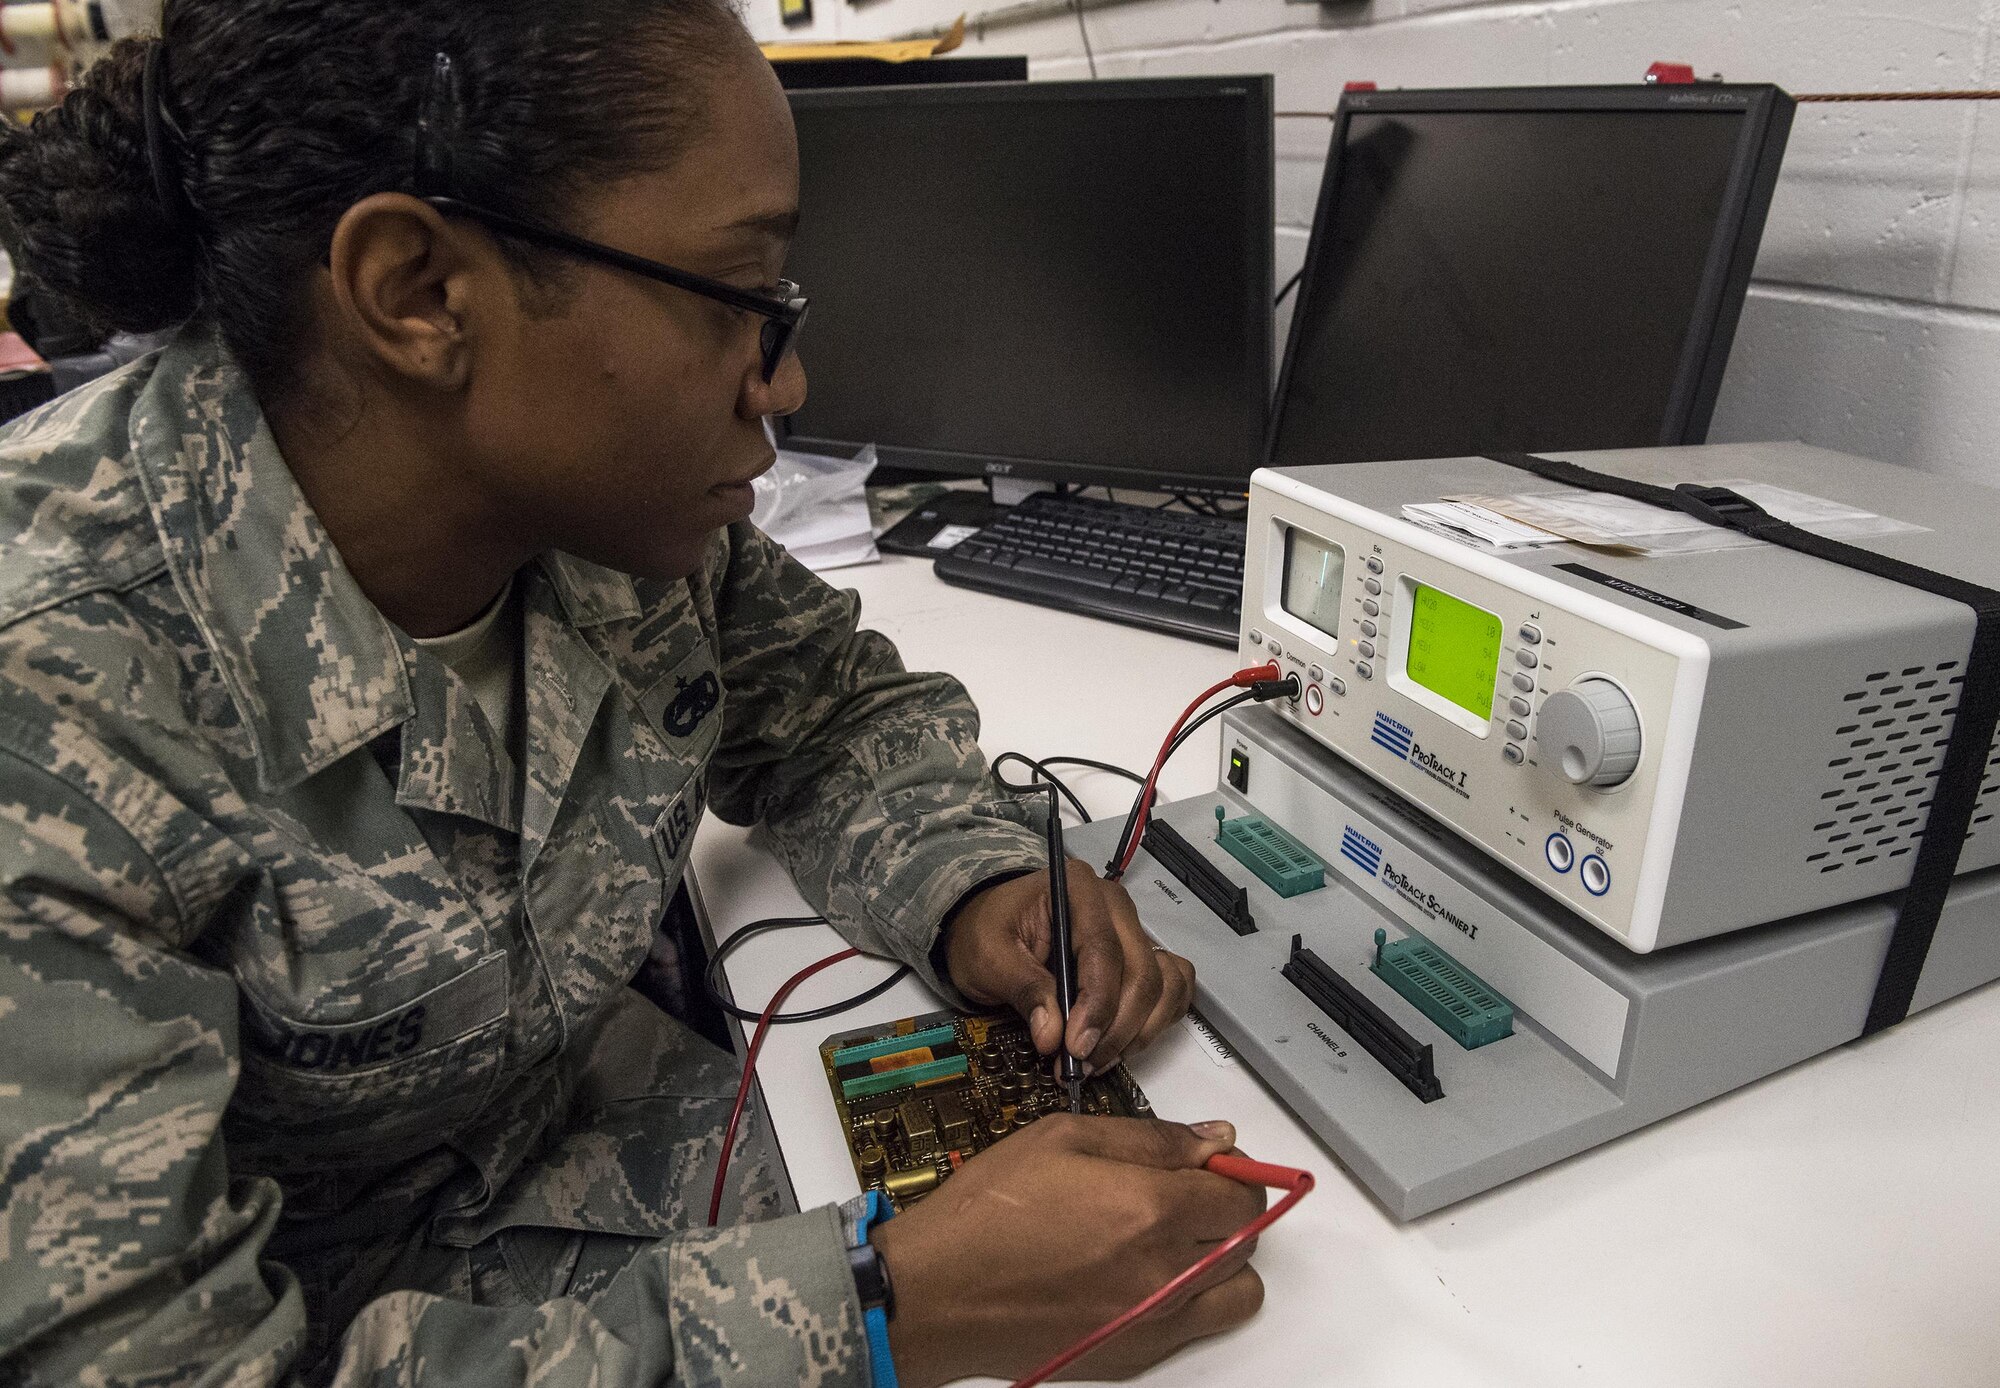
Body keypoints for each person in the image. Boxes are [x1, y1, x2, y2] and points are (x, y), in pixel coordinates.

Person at [0, 4, 1270, 1386]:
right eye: (738, 296)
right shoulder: (52, 701)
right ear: (419, 291)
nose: (786, 379)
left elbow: (834, 713)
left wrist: (968, 886)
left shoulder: (602, 518)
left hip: (584, 1158)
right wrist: (871, 1315)